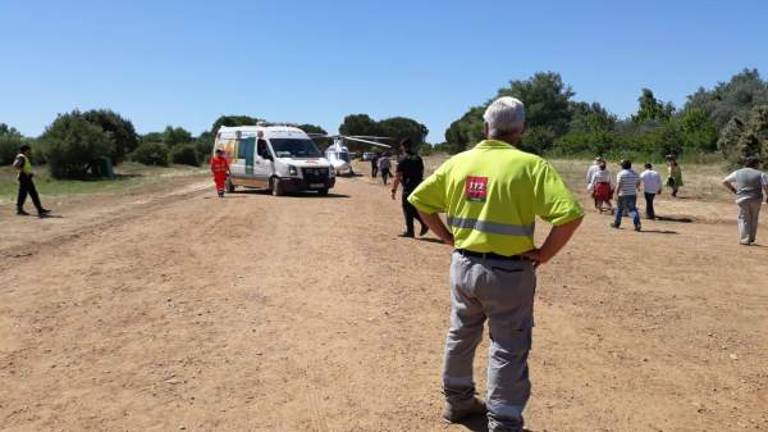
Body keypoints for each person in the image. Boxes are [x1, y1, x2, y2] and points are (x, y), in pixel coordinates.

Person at [408, 96, 584, 432]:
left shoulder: (459, 162)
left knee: (461, 334)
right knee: (508, 346)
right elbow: (570, 215)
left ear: (486, 128)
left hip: (463, 267)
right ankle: (503, 420)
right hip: (508, 274)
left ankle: (457, 403)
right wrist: (544, 253)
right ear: (522, 129)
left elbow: (419, 200)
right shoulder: (531, 166)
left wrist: (447, 237)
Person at [722, 156, 768, 245]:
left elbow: (724, 181)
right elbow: (766, 186)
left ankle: (745, 239)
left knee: (744, 218)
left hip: (742, 198)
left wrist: (734, 190)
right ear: (755, 164)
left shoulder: (737, 172)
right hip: (756, 198)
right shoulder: (761, 174)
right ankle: (751, 238)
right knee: (754, 217)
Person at [391, 139, 428, 238]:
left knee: (407, 208)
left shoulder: (403, 159)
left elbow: (397, 177)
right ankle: (423, 224)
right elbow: (421, 172)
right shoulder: (418, 158)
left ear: (403, 146)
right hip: (419, 186)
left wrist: (394, 190)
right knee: (413, 208)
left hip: (408, 186)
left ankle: (410, 231)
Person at [13, 144, 51, 218]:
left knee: (33, 193)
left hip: (27, 178)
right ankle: (20, 210)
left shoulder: (23, 157)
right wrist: (25, 172)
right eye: (28, 150)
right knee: (23, 194)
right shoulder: (21, 156)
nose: (29, 151)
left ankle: (39, 209)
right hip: (24, 177)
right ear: (26, 150)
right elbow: (15, 165)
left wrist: (30, 173)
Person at [611, 159, 642, 231]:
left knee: (619, 209)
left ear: (622, 166)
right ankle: (637, 224)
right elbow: (638, 183)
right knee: (632, 210)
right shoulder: (635, 173)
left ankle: (617, 223)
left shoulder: (621, 174)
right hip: (632, 194)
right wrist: (637, 187)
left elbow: (619, 185)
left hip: (623, 194)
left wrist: (615, 194)